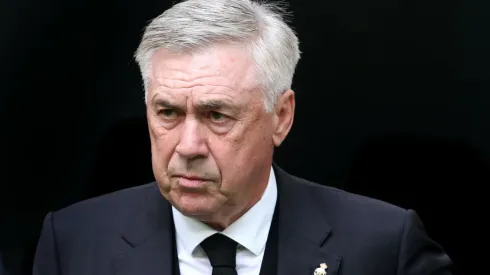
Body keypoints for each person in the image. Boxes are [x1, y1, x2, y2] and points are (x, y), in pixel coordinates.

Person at [33, 0, 453, 274]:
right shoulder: (73, 243)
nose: (188, 146)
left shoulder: (383, 249)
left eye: (217, 115)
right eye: (167, 113)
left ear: (281, 117)